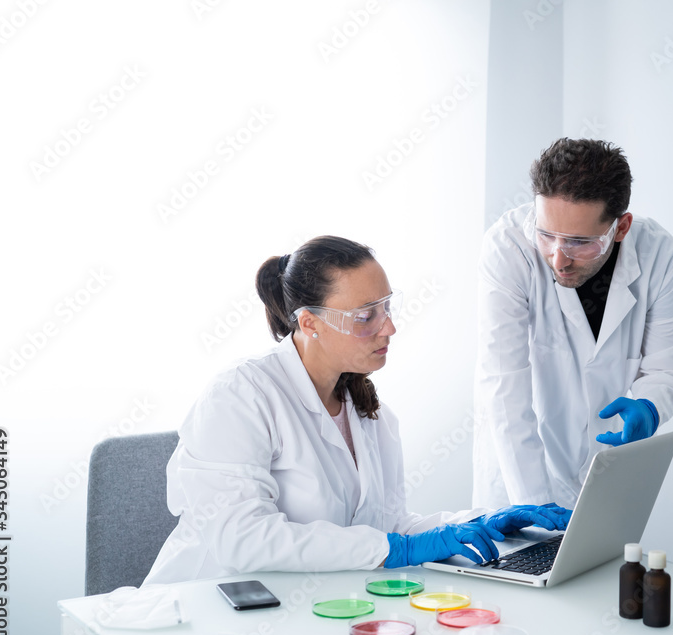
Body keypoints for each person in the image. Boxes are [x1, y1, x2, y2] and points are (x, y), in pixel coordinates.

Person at [144, 236, 569, 585]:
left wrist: (484, 521)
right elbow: (242, 541)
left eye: (386, 307)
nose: (389, 328)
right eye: (365, 316)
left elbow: (388, 526)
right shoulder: (241, 396)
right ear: (309, 323)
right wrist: (397, 549)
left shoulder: (367, 410)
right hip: (203, 614)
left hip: (302, 608)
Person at [472, 139, 673, 510]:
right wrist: (533, 504)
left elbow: (666, 369)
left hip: (604, 476)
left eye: (579, 242)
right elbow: (503, 385)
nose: (558, 258)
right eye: (546, 234)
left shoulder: (661, 256)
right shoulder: (507, 250)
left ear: (620, 228)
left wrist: (649, 406)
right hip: (519, 477)